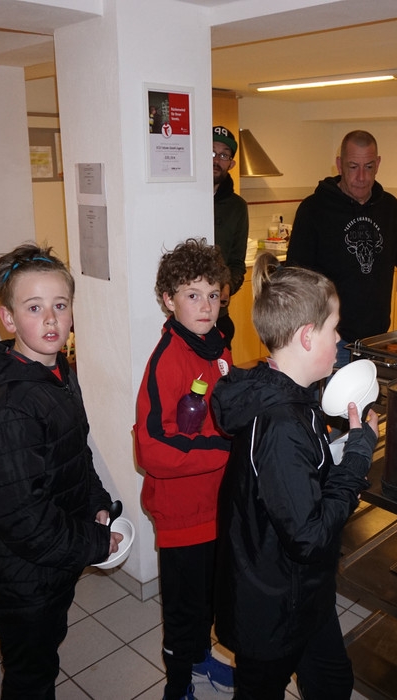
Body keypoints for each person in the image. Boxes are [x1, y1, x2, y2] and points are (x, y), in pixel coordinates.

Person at [211, 252, 379, 699]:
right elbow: (309, 536)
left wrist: (339, 444)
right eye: (334, 328)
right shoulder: (282, 425)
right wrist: (357, 458)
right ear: (307, 336)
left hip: (301, 592)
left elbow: (296, 489)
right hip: (273, 607)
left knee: (332, 681)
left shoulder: (292, 396)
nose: (340, 338)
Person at [0, 243, 120, 700]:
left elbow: (74, 451)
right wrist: (93, 543)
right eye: (34, 308)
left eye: (60, 305)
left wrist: (95, 503)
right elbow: (22, 518)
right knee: (30, 676)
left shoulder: (55, 368)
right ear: (8, 319)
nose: (51, 319)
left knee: (45, 651)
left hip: (49, 563)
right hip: (21, 575)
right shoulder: (12, 408)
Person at [134, 238, 236, 700]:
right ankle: (176, 686)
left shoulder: (218, 348)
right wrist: (225, 449)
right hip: (182, 516)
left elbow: (224, 410)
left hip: (217, 506)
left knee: (211, 599)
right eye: (193, 295)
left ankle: (200, 657)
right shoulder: (167, 360)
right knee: (182, 608)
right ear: (168, 299)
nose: (206, 306)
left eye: (213, 295)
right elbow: (152, 448)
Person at [287, 130, 397, 365]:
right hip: (329, 341)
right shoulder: (314, 210)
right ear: (339, 165)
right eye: (353, 167)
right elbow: (295, 281)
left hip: (378, 342)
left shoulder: (388, 209)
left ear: (378, 164)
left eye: (368, 167)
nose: (361, 177)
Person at [212, 125, 250, 349]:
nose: (216, 160)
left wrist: (228, 285)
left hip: (219, 316)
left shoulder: (238, 207)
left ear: (231, 164)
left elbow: (237, 262)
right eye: (211, 152)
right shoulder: (183, 197)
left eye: (224, 155)